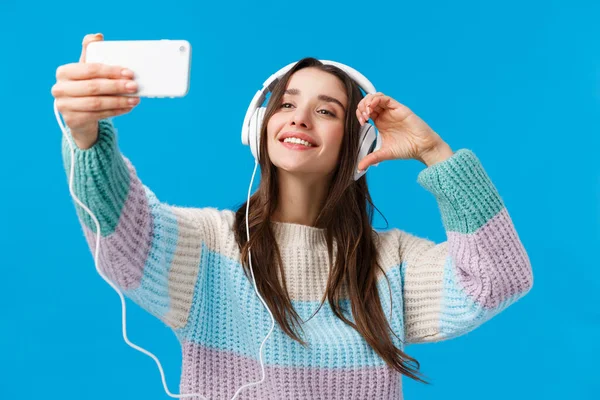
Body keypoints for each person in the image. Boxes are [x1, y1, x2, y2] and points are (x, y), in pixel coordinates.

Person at [52, 33, 534, 400]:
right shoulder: (208, 245)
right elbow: (116, 225)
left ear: (359, 143)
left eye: (326, 111)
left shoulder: (392, 264)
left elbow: (499, 279)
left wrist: (434, 151)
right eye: (286, 104)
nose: (300, 118)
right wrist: (85, 135)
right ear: (260, 126)